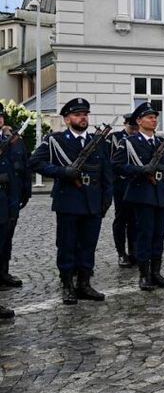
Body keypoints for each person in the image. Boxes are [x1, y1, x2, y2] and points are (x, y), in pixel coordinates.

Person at [29, 98, 114, 305]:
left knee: (88, 244)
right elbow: (35, 162)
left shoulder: (98, 141)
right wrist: (62, 172)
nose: (82, 117)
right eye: (77, 114)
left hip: (93, 201)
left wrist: (106, 199)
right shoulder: (55, 140)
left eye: (85, 114)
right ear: (67, 119)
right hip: (69, 201)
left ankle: (84, 283)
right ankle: (67, 284)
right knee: (67, 244)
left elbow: (106, 173)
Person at [113, 101, 164, 291]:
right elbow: (116, 165)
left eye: (155, 117)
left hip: (162, 195)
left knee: (159, 235)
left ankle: (156, 272)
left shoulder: (162, 142)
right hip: (142, 195)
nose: (154, 120)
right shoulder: (129, 143)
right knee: (145, 235)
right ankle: (144, 274)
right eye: (150, 117)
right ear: (139, 121)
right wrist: (140, 170)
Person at [0, 111, 33, 317]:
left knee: (5, 239)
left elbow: (24, 166)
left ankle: (3, 273)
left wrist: (26, 192)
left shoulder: (12, 140)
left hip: (10, 197)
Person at [110, 111, 139, 268]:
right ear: (125, 124)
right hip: (120, 185)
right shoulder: (115, 138)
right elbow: (110, 162)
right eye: (131, 127)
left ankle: (133, 251)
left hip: (136, 184)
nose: (133, 130)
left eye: (136, 127)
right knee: (121, 219)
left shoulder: (139, 138)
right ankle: (121, 253)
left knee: (135, 219)